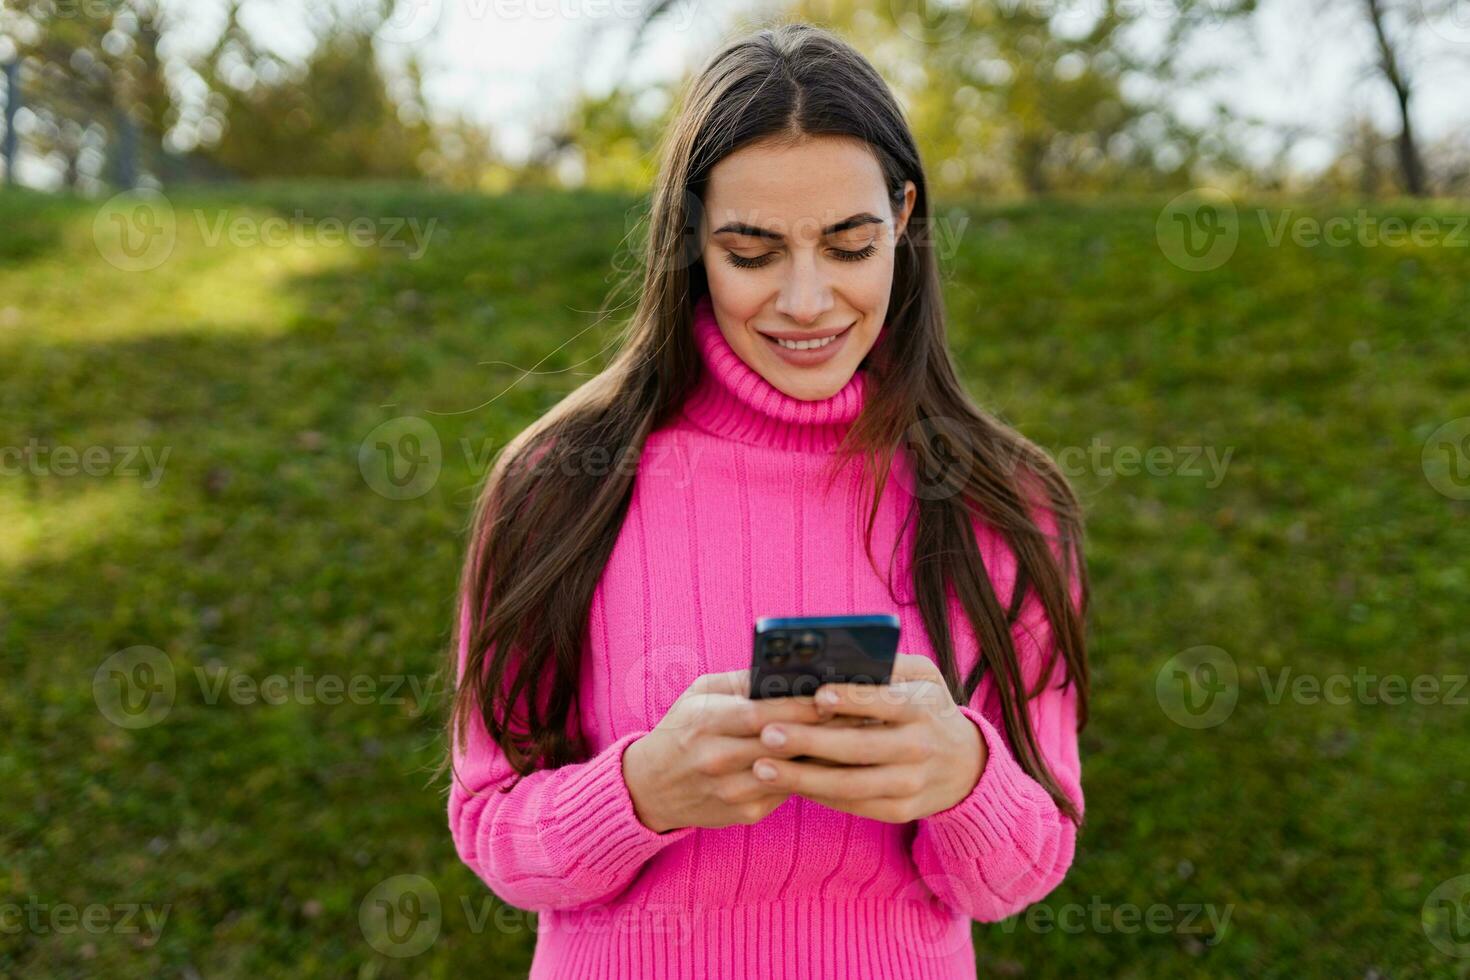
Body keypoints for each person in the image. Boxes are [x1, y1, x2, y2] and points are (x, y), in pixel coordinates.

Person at [444, 22, 1090, 979]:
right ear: (690, 243)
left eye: (849, 245)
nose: (805, 299)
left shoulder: (1005, 501)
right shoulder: (556, 482)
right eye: (752, 252)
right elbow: (490, 828)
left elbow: (1021, 870)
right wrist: (641, 792)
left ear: (904, 220)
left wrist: (964, 777)